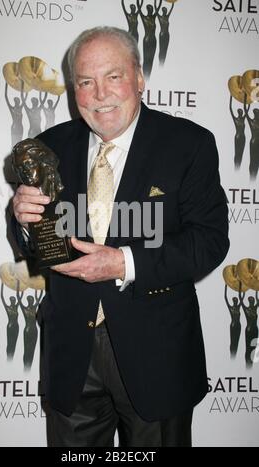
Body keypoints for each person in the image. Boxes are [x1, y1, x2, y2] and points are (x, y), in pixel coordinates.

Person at [12, 26, 229, 447]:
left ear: (139, 77)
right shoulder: (47, 146)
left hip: (157, 353)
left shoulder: (190, 145)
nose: (100, 94)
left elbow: (209, 241)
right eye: (86, 82)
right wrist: (23, 220)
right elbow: (37, 241)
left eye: (113, 77)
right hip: (71, 351)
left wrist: (122, 263)